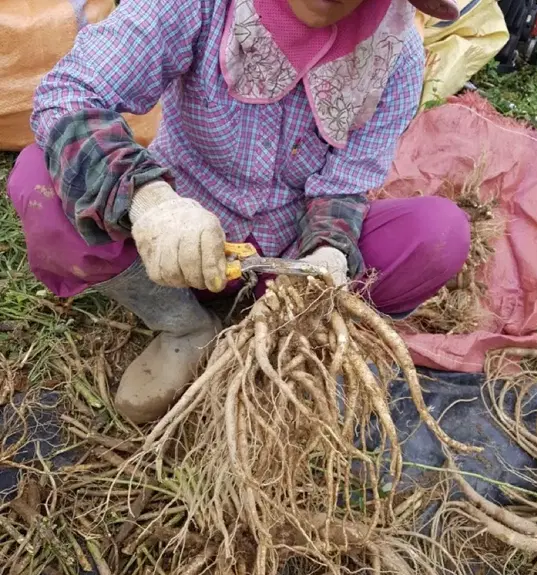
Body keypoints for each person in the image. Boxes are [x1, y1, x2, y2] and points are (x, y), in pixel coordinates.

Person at [8, 0, 470, 424]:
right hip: (174, 241)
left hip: (288, 255)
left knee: (437, 233)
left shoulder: (396, 51)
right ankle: (183, 326)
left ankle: (287, 331)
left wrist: (328, 252)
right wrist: (150, 202)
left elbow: (344, 184)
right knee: (38, 180)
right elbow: (71, 92)